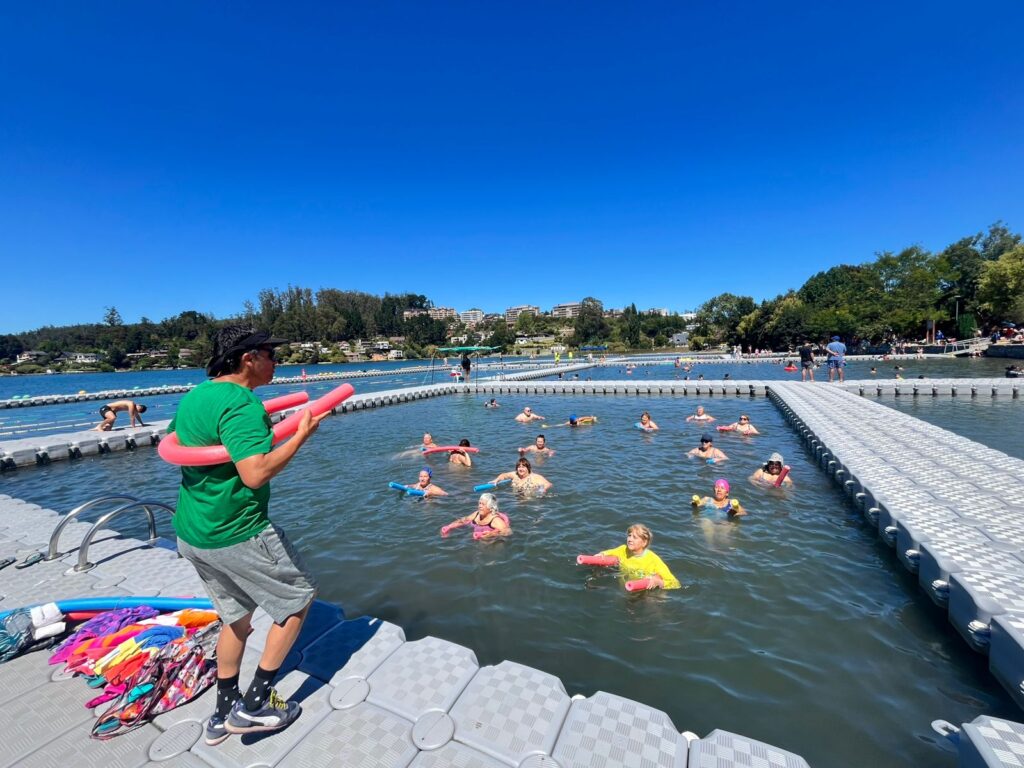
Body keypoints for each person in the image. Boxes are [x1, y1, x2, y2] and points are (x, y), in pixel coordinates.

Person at [169, 326, 325, 745]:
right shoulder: (242, 404)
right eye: (271, 354)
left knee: (235, 620)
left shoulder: (197, 395)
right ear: (248, 358)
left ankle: (223, 711)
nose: (277, 362)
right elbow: (254, 473)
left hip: (193, 532)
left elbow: (181, 442)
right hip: (236, 530)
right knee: (298, 601)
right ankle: (255, 704)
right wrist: (300, 435)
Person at [587, 524, 680, 590]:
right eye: (629, 536)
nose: (630, 539)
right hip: (626, 588)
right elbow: (607, 553)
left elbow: (675, 583)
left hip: (646, 592)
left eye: (634, 537)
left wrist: (658, 582)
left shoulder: (654, 560)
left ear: (644, 542)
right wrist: (601, 555)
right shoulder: (623, 549)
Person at [440, 493, 510, 540]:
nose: (480, 506)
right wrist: (449, 527)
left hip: (490, 542)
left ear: (490, 507)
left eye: (483, 504)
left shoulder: (495, 520)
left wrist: (491, 534)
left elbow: (508, 532)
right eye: (479, 503)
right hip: (475, 537)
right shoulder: (477, 514)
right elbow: (464, 520)